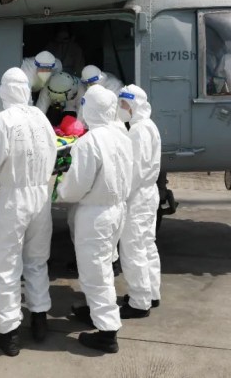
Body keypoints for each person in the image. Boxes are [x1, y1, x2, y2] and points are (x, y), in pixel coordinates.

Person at [0, 68, 58, 357]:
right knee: (37, 261)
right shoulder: (40, 117)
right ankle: (40, 319)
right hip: (41, 196)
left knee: (6, 266)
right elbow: (53, 151)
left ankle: (9, 333)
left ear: (3, 91)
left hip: (14, 198)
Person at [57, 85, 133, 354]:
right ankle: (95, 311)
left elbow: (75, 187)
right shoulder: (121, 136)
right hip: (117, 210)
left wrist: (61, 187)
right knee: (104, 266)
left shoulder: (89, 142)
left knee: (94, 272)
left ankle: (107, 333)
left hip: (96, 214)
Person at [116, 85, 163, 319]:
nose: (120, 108)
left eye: (123, 104)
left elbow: (135, 170)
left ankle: (139, 302)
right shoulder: (147, 125)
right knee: (146, 245)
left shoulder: (138, 131)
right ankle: (151, 293)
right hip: (147, 193)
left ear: (134, 105)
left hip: (137, 195)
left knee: (132, 248)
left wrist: (120, 194)